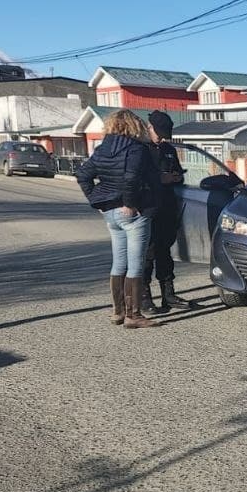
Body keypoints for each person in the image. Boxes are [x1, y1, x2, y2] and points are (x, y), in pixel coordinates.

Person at [75, 109, 160, 329]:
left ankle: (118, 311)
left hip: (110, 211)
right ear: (134, 126)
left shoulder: (102, 149)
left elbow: (83, 175)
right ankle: (134, 315)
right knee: (135, 265)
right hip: (133, 211)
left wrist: (97, 200)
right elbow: (131, 178)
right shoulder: (136, 149)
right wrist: (130, 204)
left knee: (119, 262)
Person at [141, 110, 189, 314]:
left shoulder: (169, 149)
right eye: (158, 133)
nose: (161, 138)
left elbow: (179, 173)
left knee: (164, 253)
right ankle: (144, 298)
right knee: (147, 256)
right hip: (148, 209)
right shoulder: (140, 149)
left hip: (168, 208)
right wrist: (159, 179)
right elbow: (137, 179)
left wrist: (176, 177)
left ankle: (168, 295)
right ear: (149, 127)